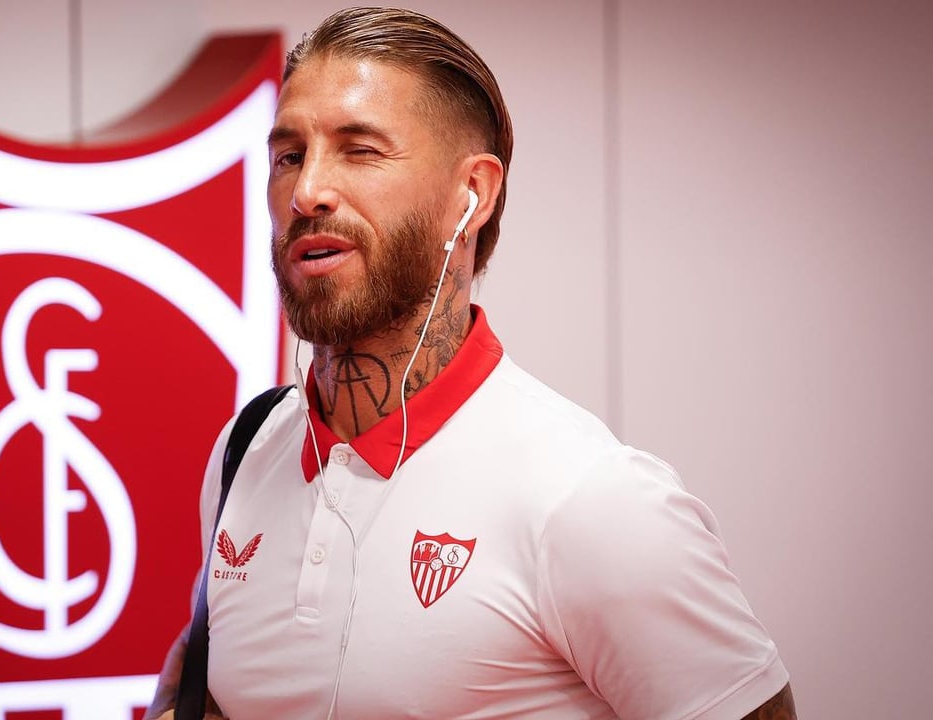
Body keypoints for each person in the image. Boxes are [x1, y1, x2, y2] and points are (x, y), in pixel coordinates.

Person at [149, 7, 794, 719]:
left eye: (360, 150)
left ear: (473, 194)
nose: (307, 193)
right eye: (289, 156)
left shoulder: (595, 500)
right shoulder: (246, 450)